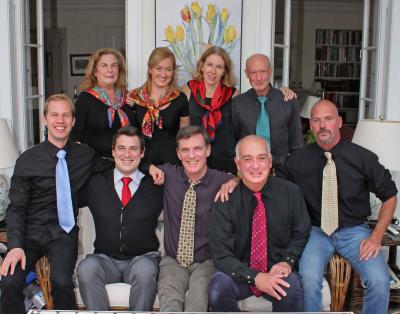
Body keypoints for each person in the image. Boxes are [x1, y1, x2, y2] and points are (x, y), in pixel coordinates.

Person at [278, 100, 398, 314]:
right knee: (309, 278)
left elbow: (390, 196)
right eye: (316, 120)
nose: (322, 125)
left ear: (339, 122)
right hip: (315, 232)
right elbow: (274, 188)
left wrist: (376, 236)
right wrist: (236, 180)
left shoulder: (363, 158)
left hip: (355, 232)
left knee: (380, 282)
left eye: (328, 119)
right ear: (311, 126)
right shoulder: (297, 160)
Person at [0, 94, 109, 314]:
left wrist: (151, 168)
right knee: (10, 281)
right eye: (55, 115)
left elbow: (115, 164)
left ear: (73, 121)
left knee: (61, 282)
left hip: (63, 232)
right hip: (30, 231)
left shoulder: (84, 154)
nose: (61, 120)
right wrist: (15, 246)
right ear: (45, 120)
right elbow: (17, 207)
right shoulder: (28, 160)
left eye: (66, 115)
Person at [209, 135, 311, 312]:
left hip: (276, 273)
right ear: (238, 163)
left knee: (291, 289)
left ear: (270, 161)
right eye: (247, 159)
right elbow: (221, 254)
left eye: (262, 158)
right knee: (219, 287)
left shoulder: (291, 193)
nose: (255, 166)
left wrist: (288, 261)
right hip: (239, 274)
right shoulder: (225, 200)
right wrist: (255, 277)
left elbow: (301, 232)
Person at [150, 125, 239, 312]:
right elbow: (136, 162)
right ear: (178, 153)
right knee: (169, 298)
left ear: (208, 150)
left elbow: (247, 180)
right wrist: (149, 167)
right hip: (173, 260)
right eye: (185, 150)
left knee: (199, 296)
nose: (192, 155)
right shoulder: (169, 174)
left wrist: (235, 181)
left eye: (197, 148)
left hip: (207, 261)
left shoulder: (221, 181)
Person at [77, 126, 163, 311]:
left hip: (142, 259)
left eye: (133, 148)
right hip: (104, 260)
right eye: (121, 148)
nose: (127, 154)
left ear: (142, 153)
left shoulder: (156, 185)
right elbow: (65, 196)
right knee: (86, 268)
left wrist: (233, 180)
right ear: (113, 151)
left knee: (145, 272)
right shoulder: (95, 183)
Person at [232, 53, 303, 169]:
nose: (258, 78)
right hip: (250, 171)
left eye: (263, 72)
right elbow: (233, 143)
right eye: (253, 72)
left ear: (270, 72)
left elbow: (297, 144)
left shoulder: (288, 101)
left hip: (282, 172)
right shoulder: (237, 104)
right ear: (246, 74)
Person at [128, 47, 189, 165]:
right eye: (158, 68)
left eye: (168, 69)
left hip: (172, 163)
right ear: (150, 69)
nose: (163, 74)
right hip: (141, 163)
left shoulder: (180, 98)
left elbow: (185, 136)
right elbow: (129, 134)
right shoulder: (134, 97)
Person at [70, 48, 135, 158]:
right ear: (95, 71)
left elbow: (137, 131)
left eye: (114, 65)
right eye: (104, 65)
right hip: (96, 166)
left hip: (127, 162)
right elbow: (75, 135)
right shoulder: (85, 98)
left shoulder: (128, 98)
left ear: (119, 71)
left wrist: (136, 107)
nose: (110, 70)